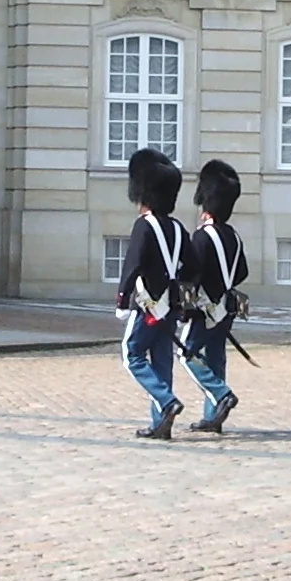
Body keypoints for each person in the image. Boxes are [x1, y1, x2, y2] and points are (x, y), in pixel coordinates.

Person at [115, 148, 189, 440]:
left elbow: (132, 264)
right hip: (170, 305)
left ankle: (166, 401)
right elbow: (193, 266)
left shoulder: (143, 226)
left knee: (131, 354)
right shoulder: (178, 228)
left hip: (147, 305)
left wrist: (122, 299)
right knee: (162, 361)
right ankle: (161, 423)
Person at [183, 160, 247, 435]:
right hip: (226, 308)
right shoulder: (233, 235)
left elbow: (192, 272)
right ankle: (213, 416)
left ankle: (220, 394)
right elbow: (242, 270)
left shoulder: (202, 236)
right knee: (216, 358)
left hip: (205, 308)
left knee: (187, 354)